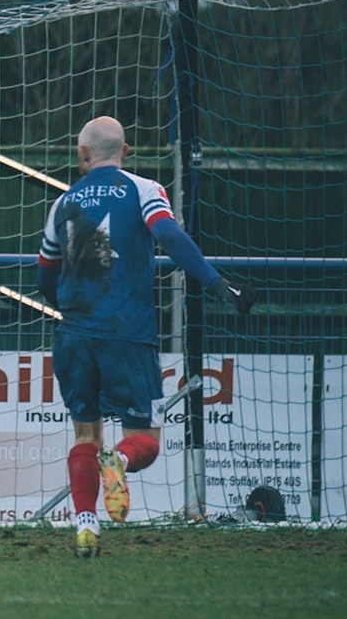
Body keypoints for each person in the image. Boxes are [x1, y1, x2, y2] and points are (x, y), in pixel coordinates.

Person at [37, 116, 256, 557]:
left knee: (85, 435)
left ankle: (85, 525)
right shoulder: (142, 189)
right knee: (146, 441)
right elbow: (169, 235)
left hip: (75, 333)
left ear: (82, 155)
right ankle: (119, 459)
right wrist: (217, 285)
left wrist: (69, 306)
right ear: (127, 151)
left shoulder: (62, 203)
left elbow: (45, 275)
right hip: (128, 334)